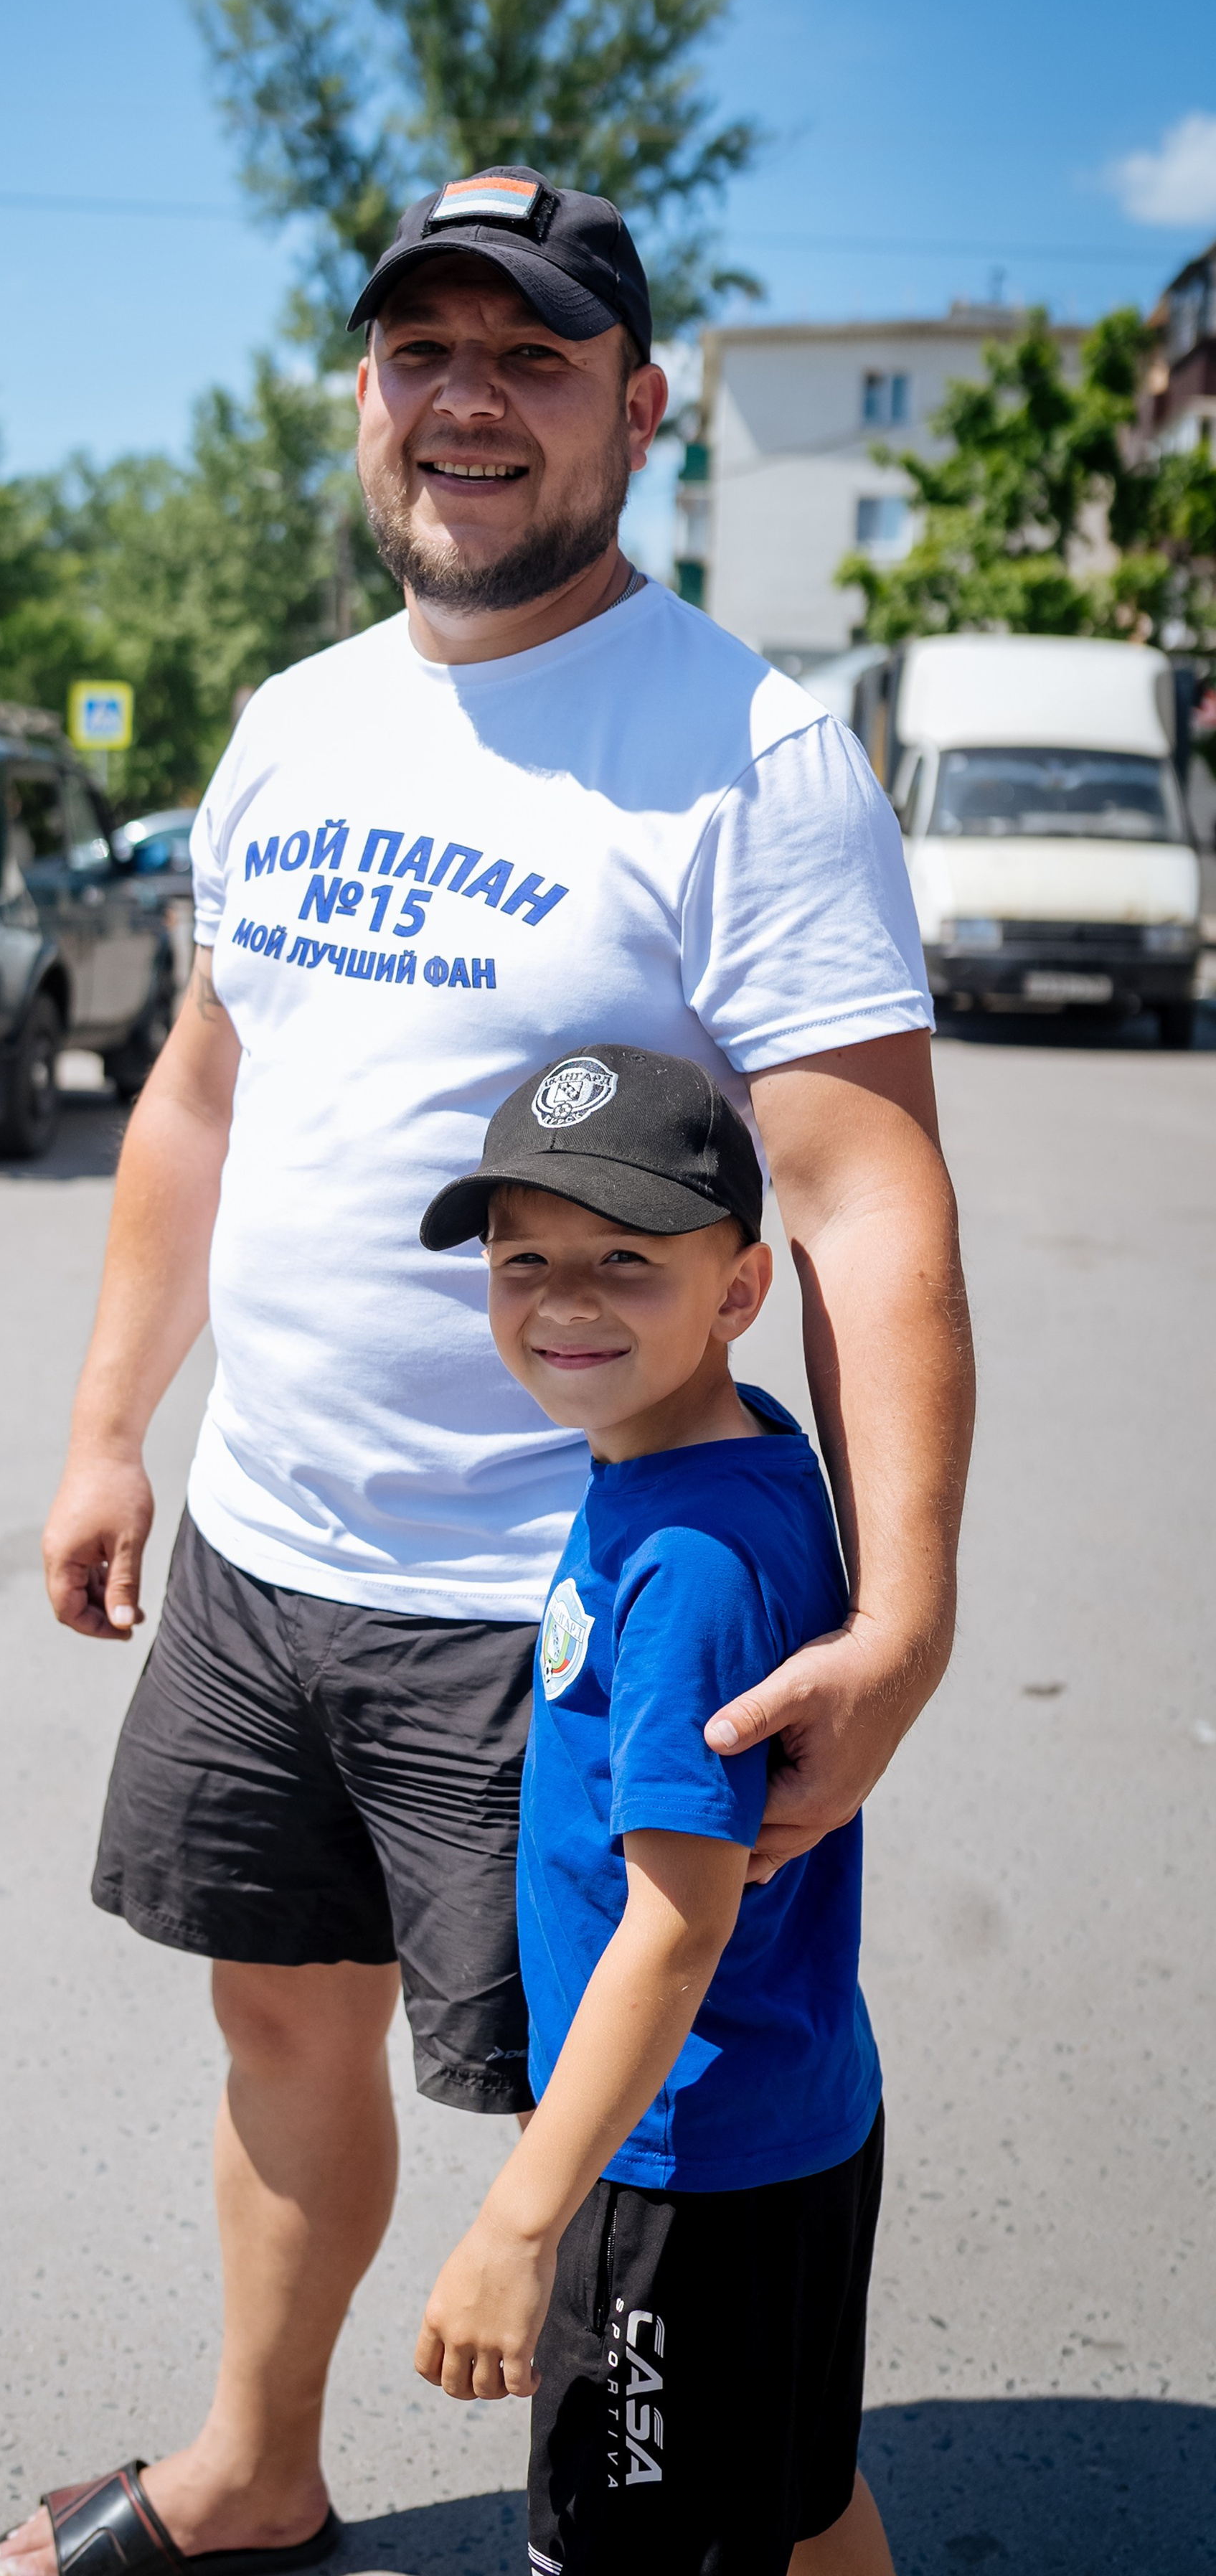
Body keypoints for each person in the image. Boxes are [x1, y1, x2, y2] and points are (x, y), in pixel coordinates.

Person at [0, 167, 971, 2576]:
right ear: (365, 396)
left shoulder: (747, 753)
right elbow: (207, 1098)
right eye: (425, 350)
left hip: (556, 1608)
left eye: (532, 357)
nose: (468, 400)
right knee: (280, 2031)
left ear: (637, 409)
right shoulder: (294, 725)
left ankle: (768, 2510)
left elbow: (863, 1199)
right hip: (265, 1559)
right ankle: (252, 2471)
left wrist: (908, 1604)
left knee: (656, 2172)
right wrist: (120, 1427)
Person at [413, 1043, 891, 2576]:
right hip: (789, 2116)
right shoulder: (732, 1448)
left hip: (670, 2169)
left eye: (624, 1262)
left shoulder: (682, 1564)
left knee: (631, 2548)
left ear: (738, 1289)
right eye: (523, 1259)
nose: (562, 1303)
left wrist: (519, 2220)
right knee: (799, 2497)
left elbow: (673, 1927)